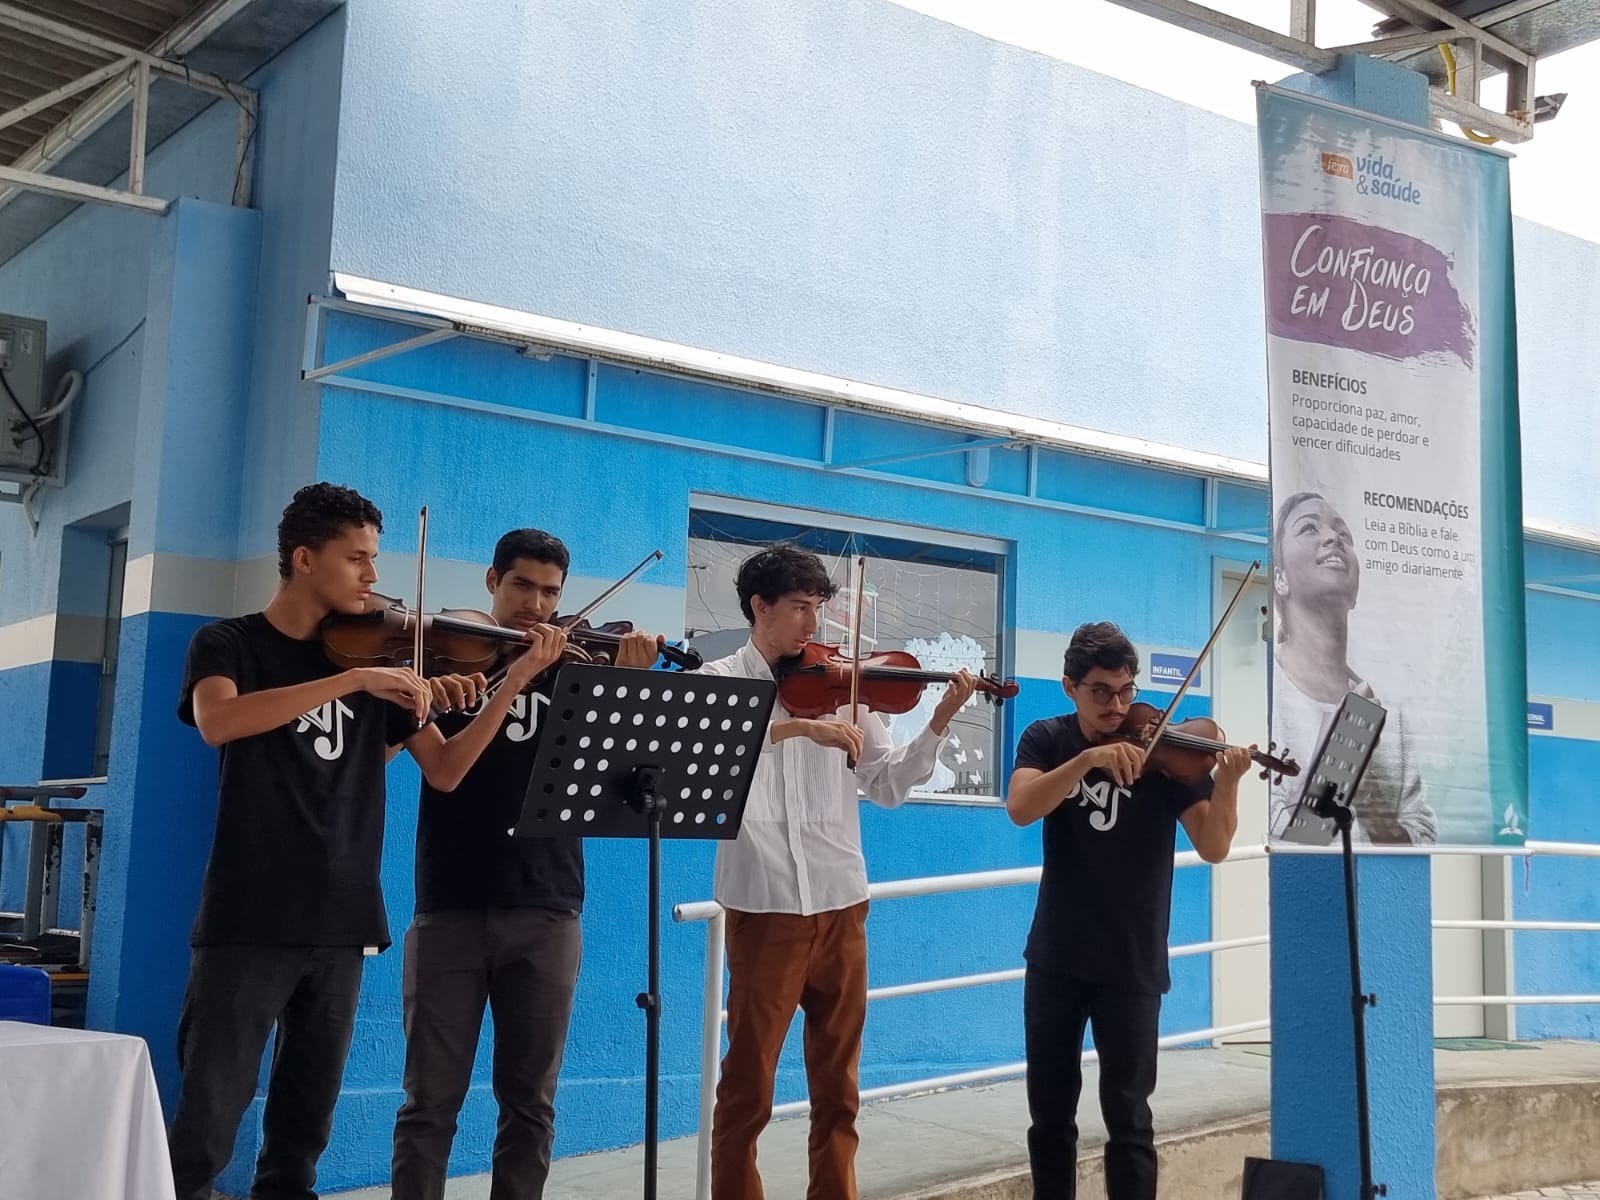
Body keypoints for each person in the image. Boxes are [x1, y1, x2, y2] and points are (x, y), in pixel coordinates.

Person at [168, 483, 564, 1200]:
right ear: (304, 558)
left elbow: (447, 769)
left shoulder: (390, 664)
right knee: (205, 1130)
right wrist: (353, 679)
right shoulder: (230, 642)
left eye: (374, 559)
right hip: (249, 916)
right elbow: (219, 722)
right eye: (357, 559)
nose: (373, 576)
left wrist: (509, 684)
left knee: (301, 1138)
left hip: (343, 919)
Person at [390, 528, 666, 1200]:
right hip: (450, 903)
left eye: (549, 593)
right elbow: (440, 769)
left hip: (548, 904)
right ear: (492, 581)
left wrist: (627, 685)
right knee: (430, 1101)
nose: (536, 606)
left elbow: (621, 786)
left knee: (531, 1103)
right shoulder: (448, 666)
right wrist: (512, 678)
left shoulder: (579, 674)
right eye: (522, 586)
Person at [698, 543, 977, 1200]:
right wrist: (800, 731)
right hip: (763, 905)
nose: (813, 624)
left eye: (819, 608)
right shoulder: (721, 678)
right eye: (800, 607)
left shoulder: (846, 689)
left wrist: (937, 723)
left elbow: (887, 785)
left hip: (841, 901)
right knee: (747, 1089)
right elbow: (710, 752)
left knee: (838, 1089)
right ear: (759, 606)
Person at [1006, 621, 1252, 1200]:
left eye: (1125, 691)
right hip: (1057, 956)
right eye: (1101, 692)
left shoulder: (1166, 755)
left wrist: (1230, 783)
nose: (1118, 707)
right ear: (1070, 687)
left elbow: (1214, 846)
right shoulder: (1048, 738)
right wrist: (1087, 760)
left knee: (1130, 1117)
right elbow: (1021, 806)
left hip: (1133, 960)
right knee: (1050, 1114)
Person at [1267, 490, 1436, 845]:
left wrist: (1369, 789)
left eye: (1343, 533)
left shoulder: (1390, 714)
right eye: (1309, 528)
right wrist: (1349, 746)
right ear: (1280, 579)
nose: (1333, 538)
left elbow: (1420, 840)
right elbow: (1295, 843)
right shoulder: (1266, 693)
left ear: (1357, 588)